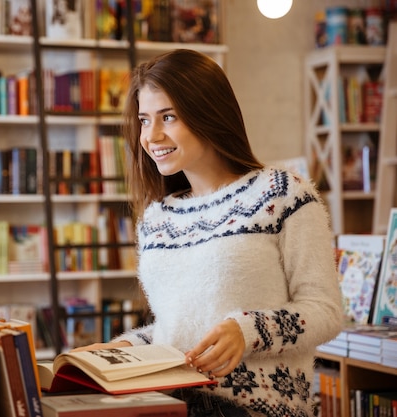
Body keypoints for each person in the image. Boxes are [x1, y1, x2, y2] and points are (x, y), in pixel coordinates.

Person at [72, 49, 343, 417]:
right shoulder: (156, 219)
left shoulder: (283, 193)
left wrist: (245, 331)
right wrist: (116, 350)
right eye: (144, 120)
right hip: (172, 403)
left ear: (208, 112)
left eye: (168, 117)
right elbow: (177, 333)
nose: (152, 136)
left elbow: (325, 311)